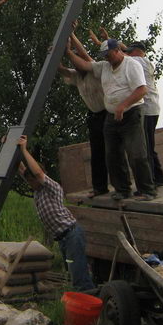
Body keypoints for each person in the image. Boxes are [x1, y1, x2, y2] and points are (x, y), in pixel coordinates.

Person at [67, 38, 156, 201]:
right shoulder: (104, 67)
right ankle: (122, 190)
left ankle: (147, 190)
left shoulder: (131, 65)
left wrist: (123, 106)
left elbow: (142, 90)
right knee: (113, 155)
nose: (106, 58)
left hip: (131, 113)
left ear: (117, 51)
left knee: (136, 153)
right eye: (104, 56)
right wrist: (67, 52)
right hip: (111, 116)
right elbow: (86, 64)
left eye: (108, 55)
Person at [16, 135, 96, 291]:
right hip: (63, 239)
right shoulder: (37, 190)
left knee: (79, 276)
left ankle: (89, 303)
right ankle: (85, 294)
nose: (29, 184)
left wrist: (24, 149)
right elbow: (21, 169)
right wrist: (11, 148)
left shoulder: (50, 187)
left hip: (72, 234)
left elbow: (37, 174)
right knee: (73, 272)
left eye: (31, 181)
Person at [57, 28, 108, 198]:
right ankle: (100, 187)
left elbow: (84, 55)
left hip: (107, 114)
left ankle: (122, 187)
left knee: (114, 152)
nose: (75, 66)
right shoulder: (77, 75)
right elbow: (62, 69)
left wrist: (71, 34)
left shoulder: (95, 69)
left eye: (77, 64)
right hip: (94, 116)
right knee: (97, 154)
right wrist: (56, 53)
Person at [125, 41, 163, 187]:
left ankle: (153, 180)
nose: (128, 53)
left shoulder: (138, 61)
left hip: (148, 109)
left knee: (146, 147)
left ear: (137, 51)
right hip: (153, 108)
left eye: (130, 51)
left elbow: (121, 55)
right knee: (149, 145)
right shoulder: (145, 61)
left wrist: (102, 42)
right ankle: (159, 178)